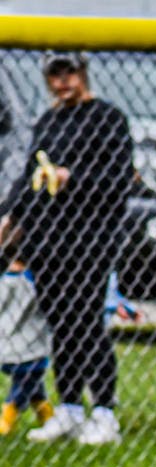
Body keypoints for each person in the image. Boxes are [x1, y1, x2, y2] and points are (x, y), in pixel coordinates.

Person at [0, 50, 133, 446]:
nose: (62, 82)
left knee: (87, 321)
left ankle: (104, 412)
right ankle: (71, 408)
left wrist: (71, 177)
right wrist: (9, 217)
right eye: (54, 74)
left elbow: (118, 180)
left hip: (90, 240)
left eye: (68, 72)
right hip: (48, 241)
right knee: (61, 326)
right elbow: (29, 179)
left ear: (83, 72)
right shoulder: (49, 121)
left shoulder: (107, 118)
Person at [0, 260, 54, 436]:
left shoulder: (3, 281)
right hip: (33, 347)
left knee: (33, 385)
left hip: (7, 346)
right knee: (24, 384)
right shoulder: (34, 281)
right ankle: (8, 418)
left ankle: (48, 418)